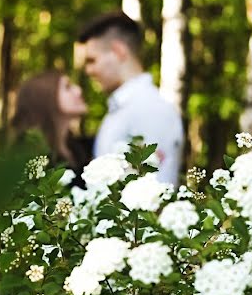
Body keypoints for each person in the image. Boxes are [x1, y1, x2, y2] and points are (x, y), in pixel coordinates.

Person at [78, 11, 184, 184]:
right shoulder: (121, 108)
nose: (88, 70)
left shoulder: (151, 109)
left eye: (92, 60)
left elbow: (156, 188)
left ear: (118, 51)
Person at [11, 70, 92, 178]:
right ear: (45, 99)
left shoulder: (78, 148)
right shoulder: (28, 158)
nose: (78, 90)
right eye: (67, 87)